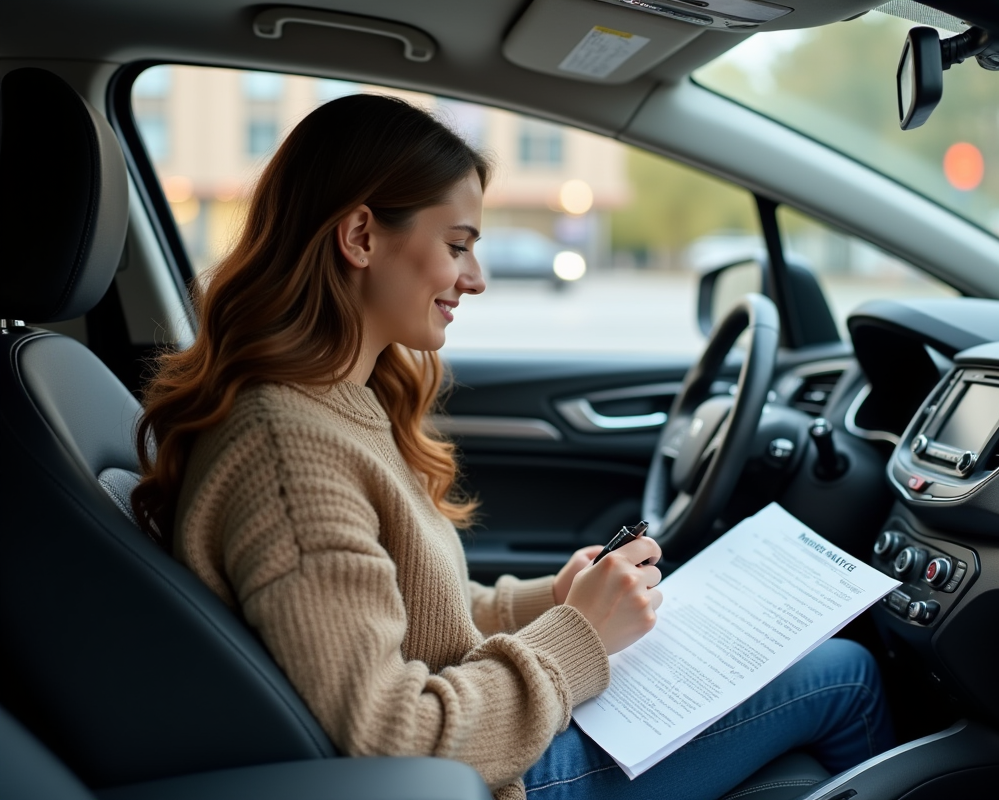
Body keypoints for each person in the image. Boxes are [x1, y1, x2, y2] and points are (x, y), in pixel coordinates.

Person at [132, 94, 892, 800]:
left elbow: (412, 615)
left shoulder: (332, 405)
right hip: (492, 779)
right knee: (845, 676)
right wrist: (580, 636)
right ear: (360, 236)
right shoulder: (289, 455)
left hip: (484, 737)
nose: (476, 278)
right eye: (457, 245)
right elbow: (390, 739)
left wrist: (554, 603)